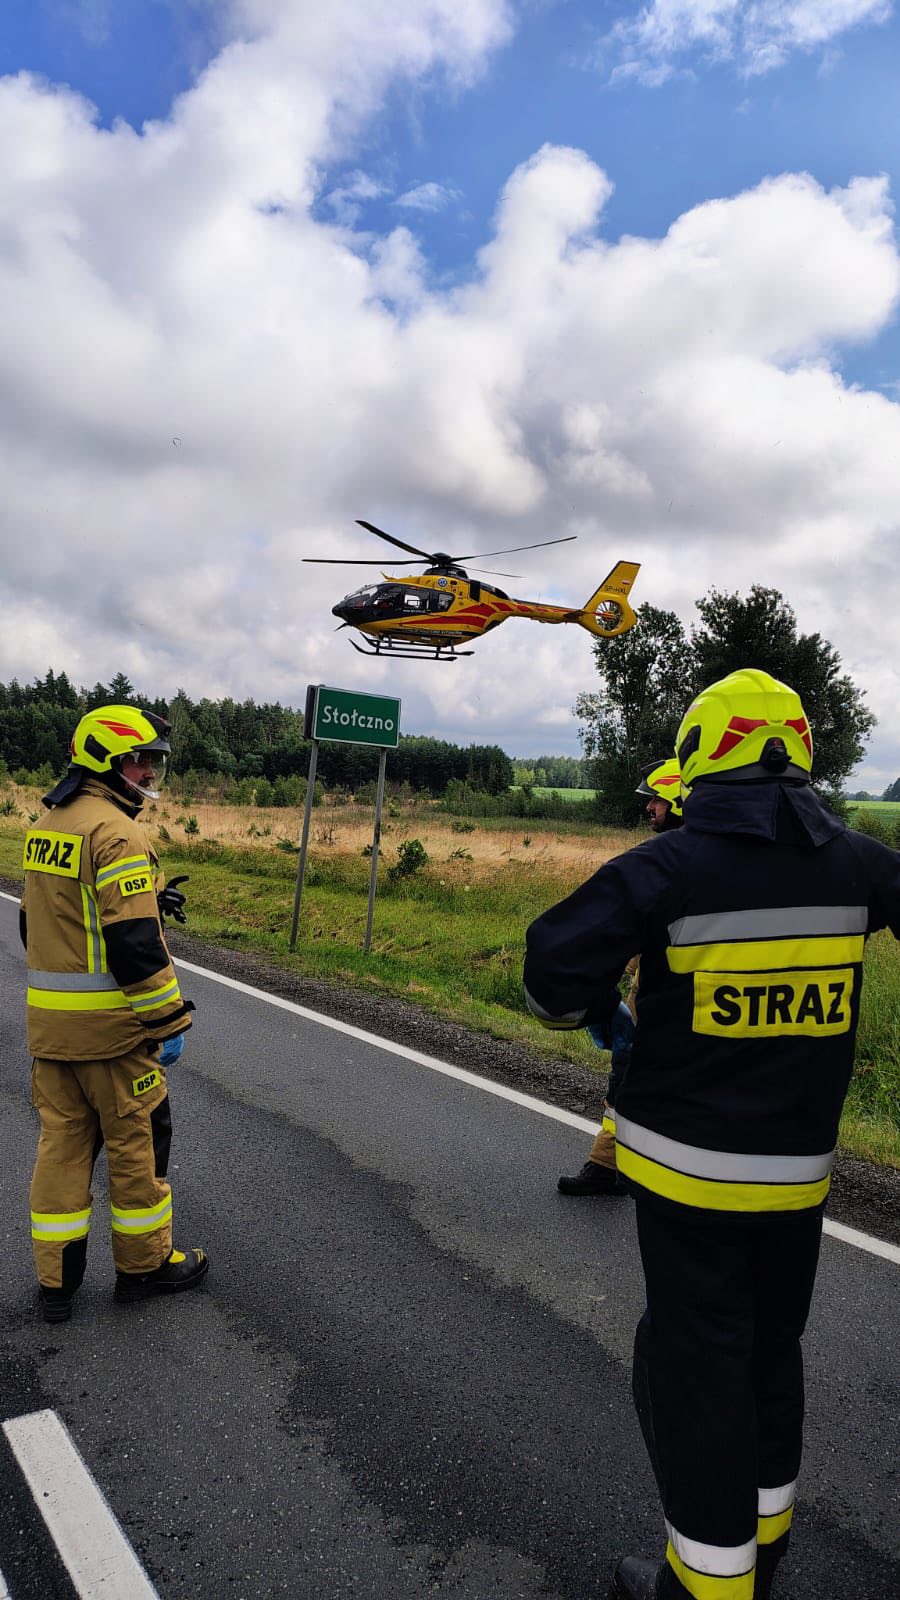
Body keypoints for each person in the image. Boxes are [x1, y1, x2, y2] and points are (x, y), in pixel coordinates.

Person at [523, 670, 900, 1600]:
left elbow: (549, 971)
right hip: (800, 1182)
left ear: (702, 756)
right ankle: (766, 1540)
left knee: (696, 1372)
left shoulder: (669, 867)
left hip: (689, 1185)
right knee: (774, 1351)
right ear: (802, 750)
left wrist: (597, 1012)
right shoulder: (861, 864)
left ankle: (706, 1582)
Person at [20, 704, 208, 1323]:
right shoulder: (117, 832)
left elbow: (41, 922)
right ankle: (144, 1268)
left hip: (51, 1033)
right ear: (108, 758)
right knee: (137, 1147)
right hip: (114, 1037)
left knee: (62, 1149)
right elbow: (133, 944)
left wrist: (152, 897)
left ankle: (56, 1286)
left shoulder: (46, 824)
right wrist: (168, 1023)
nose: (150, 773)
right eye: (142, 759)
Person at [557, 759, 683, 1198]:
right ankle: (614, 1167)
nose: (650, 807)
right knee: (633, 1084)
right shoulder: (680, 865)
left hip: (667, 1011)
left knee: (630, 1086)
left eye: (658, 799)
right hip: (657, 1004)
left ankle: (610, 1169)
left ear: (681, 802)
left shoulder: (671, 867)